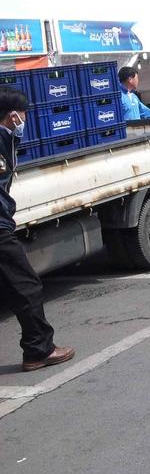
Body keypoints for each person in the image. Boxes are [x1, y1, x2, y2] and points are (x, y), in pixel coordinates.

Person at [0, 87, 75, 372]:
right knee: (27, 287)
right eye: (24, 115)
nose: (26, 120)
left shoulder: (6, 139)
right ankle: (39, 350)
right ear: (14, 116)